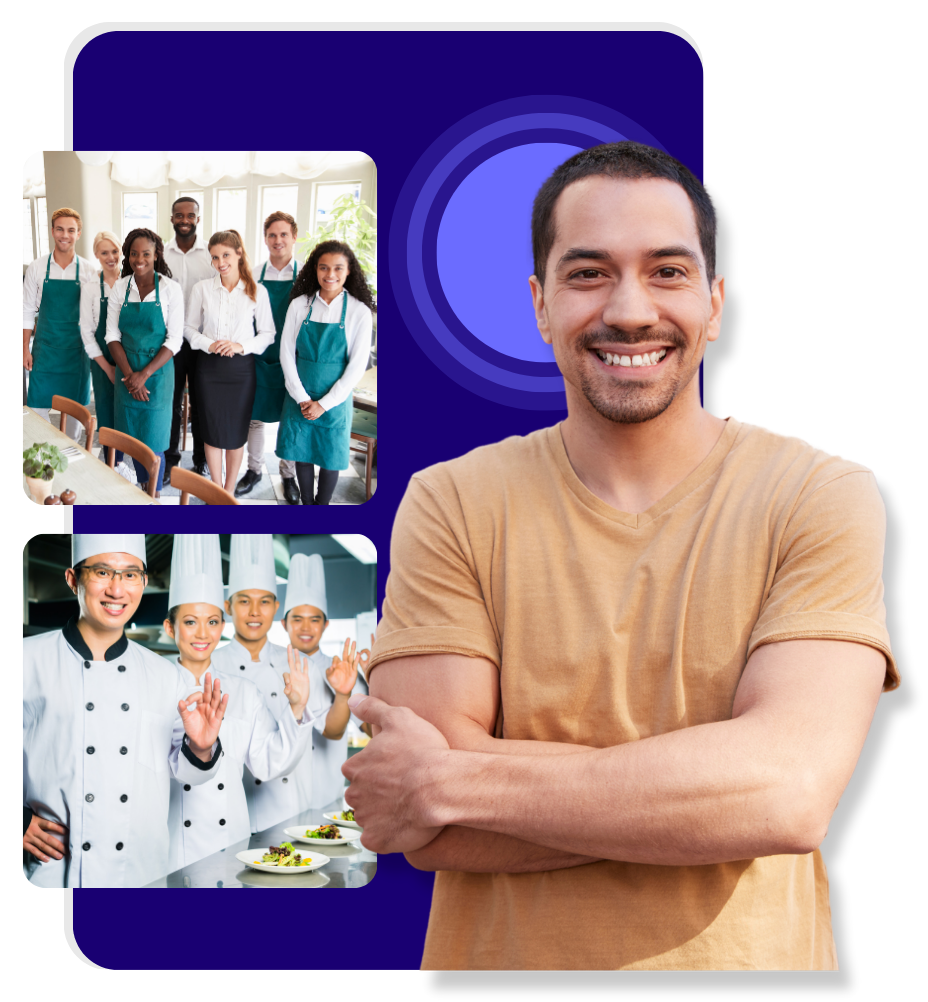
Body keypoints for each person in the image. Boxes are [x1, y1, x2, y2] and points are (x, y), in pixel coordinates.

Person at [342, 142, 900, 971]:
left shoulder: (820, 494)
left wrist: (454, 776)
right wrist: (696, 801)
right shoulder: (450, 501)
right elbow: (428, 834)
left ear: (716, 304)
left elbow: (786, 793)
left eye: (668, 272)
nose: (631, 309)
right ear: (539, 303)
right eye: (589, 272)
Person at [22, 534, 228, 888]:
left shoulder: (168, 676)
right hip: (53, 870)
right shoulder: (29, 659)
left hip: (139, 872)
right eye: (102, 572)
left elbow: (191, 775)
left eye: (131, 575)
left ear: (144, 582)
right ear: (73, 580)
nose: (117, 590)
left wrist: (202, 748)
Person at [162, 535, 320, 870]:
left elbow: (267, 764)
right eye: (190, 622)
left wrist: (296, 707)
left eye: (213, 622)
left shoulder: (243, 691)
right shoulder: (153, 687)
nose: (203, 634)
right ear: (169, 627)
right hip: (174, 846)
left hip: (233, 840)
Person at [209, 536, 354, 831]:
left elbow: (332, 731)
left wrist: (343, 695)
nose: (254, 612)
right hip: (234, 813)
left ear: (275, 607)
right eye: (244, 601)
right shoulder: (212, 666)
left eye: (264, 602)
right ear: (228, 606)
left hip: (295, 808)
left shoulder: (301, 664)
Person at [277, 240, 374, 504]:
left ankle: (322, 508)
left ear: (349, 271)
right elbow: (286, 353)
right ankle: (307, 506)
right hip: (300, 394)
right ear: (315, 269)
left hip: (336, 399)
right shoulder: (300, 305)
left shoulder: (359, 312)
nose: (330, 275)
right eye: (324, 268)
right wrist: (301, 397)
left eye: (337, 268)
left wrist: (324, 404)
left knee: (331, 456)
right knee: (302, 452)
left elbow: (357, 366)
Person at [185, 230, 275, 493]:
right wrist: (209, 344)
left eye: (225, 255)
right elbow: (189, 329)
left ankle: (228, 489)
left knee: (236, 434)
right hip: (208, 369)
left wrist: (240, 346)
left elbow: (268, 334)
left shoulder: (258, 290)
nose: (220, 262)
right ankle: (216, 490)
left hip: (241, 371)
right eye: (215, 257)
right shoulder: (202, 289)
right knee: (211, 431)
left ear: (239, 254)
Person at [106, 228, 184, 498]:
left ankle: (154, 493)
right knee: (132, 435)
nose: (139, 259)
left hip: (158, 373)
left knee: (155, 436)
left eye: (146, 254)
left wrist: (144, 375)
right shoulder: (120, 286)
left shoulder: (171, 290)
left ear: (156, 255)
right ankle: (142, 487)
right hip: (126, 368)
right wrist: (130, 376)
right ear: (128, 255)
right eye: (134, 253)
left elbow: (174, 340)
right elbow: (112, 335)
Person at [282, 554, 362, 807]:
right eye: (297, 619)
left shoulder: (343, 670)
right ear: (284, 623)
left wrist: (377, 680)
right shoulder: (272, 667)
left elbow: (371, 729)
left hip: (328, 795)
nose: (306, 627)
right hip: (280, 798)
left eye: (314, 619)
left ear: (325, 624)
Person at [236, 212, 301, 504]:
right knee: (255, 419)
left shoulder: (305, 278)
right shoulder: (253, 275)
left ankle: (288, 475)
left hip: (294, 358)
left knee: (290, 419)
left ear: (294, 237)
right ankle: (254, 470)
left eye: (283, 234)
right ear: (264, 239)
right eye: (272, 235)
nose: (278, 240)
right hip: (260, 357)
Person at [22, 207, 96, 441]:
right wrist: (25, 348)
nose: (65, 235)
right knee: (37, 406)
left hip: (76, 353)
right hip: (45, 351)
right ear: (53, 231)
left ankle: (70, 450)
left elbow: (94, 314)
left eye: (71, 230)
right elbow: (26, 311)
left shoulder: (88, 270)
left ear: (79, 233)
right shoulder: (36, 268)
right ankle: (43, 454)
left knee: (75, 409)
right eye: (60, 229)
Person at [163, 197, 213, 481]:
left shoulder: (210, 253)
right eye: (179, 215)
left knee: (201, 402)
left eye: (190, 215)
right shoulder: (162, 253)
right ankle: (170, 459)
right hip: (169, 342)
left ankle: (202, 460)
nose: (185, 220)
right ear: (172, 218)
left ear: (197, 218)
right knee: (170, 402)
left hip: (201, 341)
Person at [79, 231, 126, 470]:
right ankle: (113, 464)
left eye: (115, 251)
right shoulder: (90, 289)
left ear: (121, 252)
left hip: (129, 358)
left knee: (129, 411)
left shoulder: (131, 282)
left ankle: (135, 464)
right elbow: (87, 332)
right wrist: (107, 368)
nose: (111, 257)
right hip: (101, 361)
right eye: (104, 252)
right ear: (96, 255)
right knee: (107, 411)